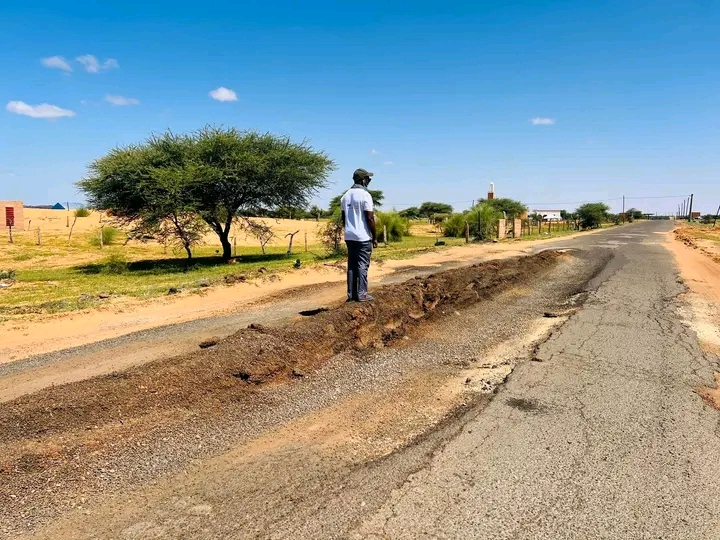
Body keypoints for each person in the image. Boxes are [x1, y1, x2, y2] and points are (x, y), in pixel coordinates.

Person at [341, 168, 378, 302]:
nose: (369, 181)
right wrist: (374, 237)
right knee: (362, 265)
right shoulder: (365, 195)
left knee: (352, 265)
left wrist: (348, 230)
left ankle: (351, 295)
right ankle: (362, 294)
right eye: (368, 179)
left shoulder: (345, 196)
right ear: (363, 180)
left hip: (349, 236)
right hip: (363, 237)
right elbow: (370, 218)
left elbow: (344, 218)